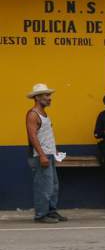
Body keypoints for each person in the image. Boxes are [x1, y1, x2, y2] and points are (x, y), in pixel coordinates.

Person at [25, 83, 66, 223]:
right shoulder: (33, 114)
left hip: (49, 154)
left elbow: (46, 135)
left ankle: (51, 212)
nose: (50, 98)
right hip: (40, 156)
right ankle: (41, 215)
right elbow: (33, 136)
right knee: (43, 187)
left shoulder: (44, 115)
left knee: (53, 185)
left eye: (49, 96)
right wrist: (42, 155)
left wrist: (55, 149)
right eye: (47, 95)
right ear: (37, 97)